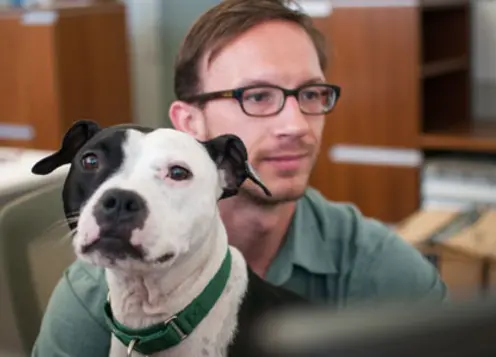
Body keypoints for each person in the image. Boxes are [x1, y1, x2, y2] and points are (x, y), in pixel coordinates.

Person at [31, 0, 447, 355]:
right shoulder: (92, 296)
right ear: (189, 123)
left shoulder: (383, 272)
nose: (296, 125)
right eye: (257, 96)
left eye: (310, 95)